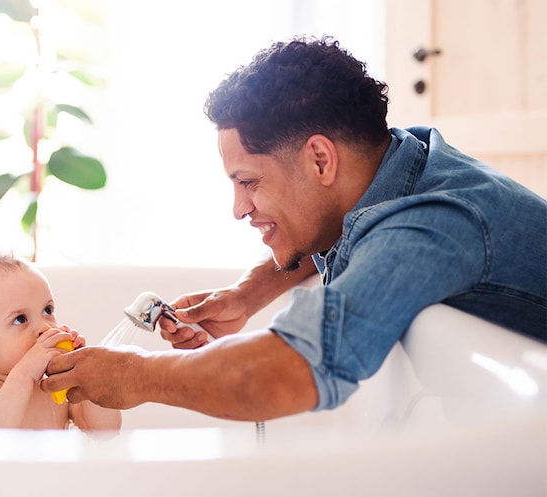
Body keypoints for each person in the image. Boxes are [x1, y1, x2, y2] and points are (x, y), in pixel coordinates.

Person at [41, 35, 547, 421]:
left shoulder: (432, 224)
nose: (239, 209)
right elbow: (336, 225)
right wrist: (246, 294)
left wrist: (133, 375)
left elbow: (284, 375)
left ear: (320, 159)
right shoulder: (398, 164)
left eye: (249, 182)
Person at [0, 255, 121, 431]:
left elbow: (105, 430)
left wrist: (85, 376)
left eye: (47, 310)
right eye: (20, 319)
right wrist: (24, 374)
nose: (44, 327)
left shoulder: (55, 385)